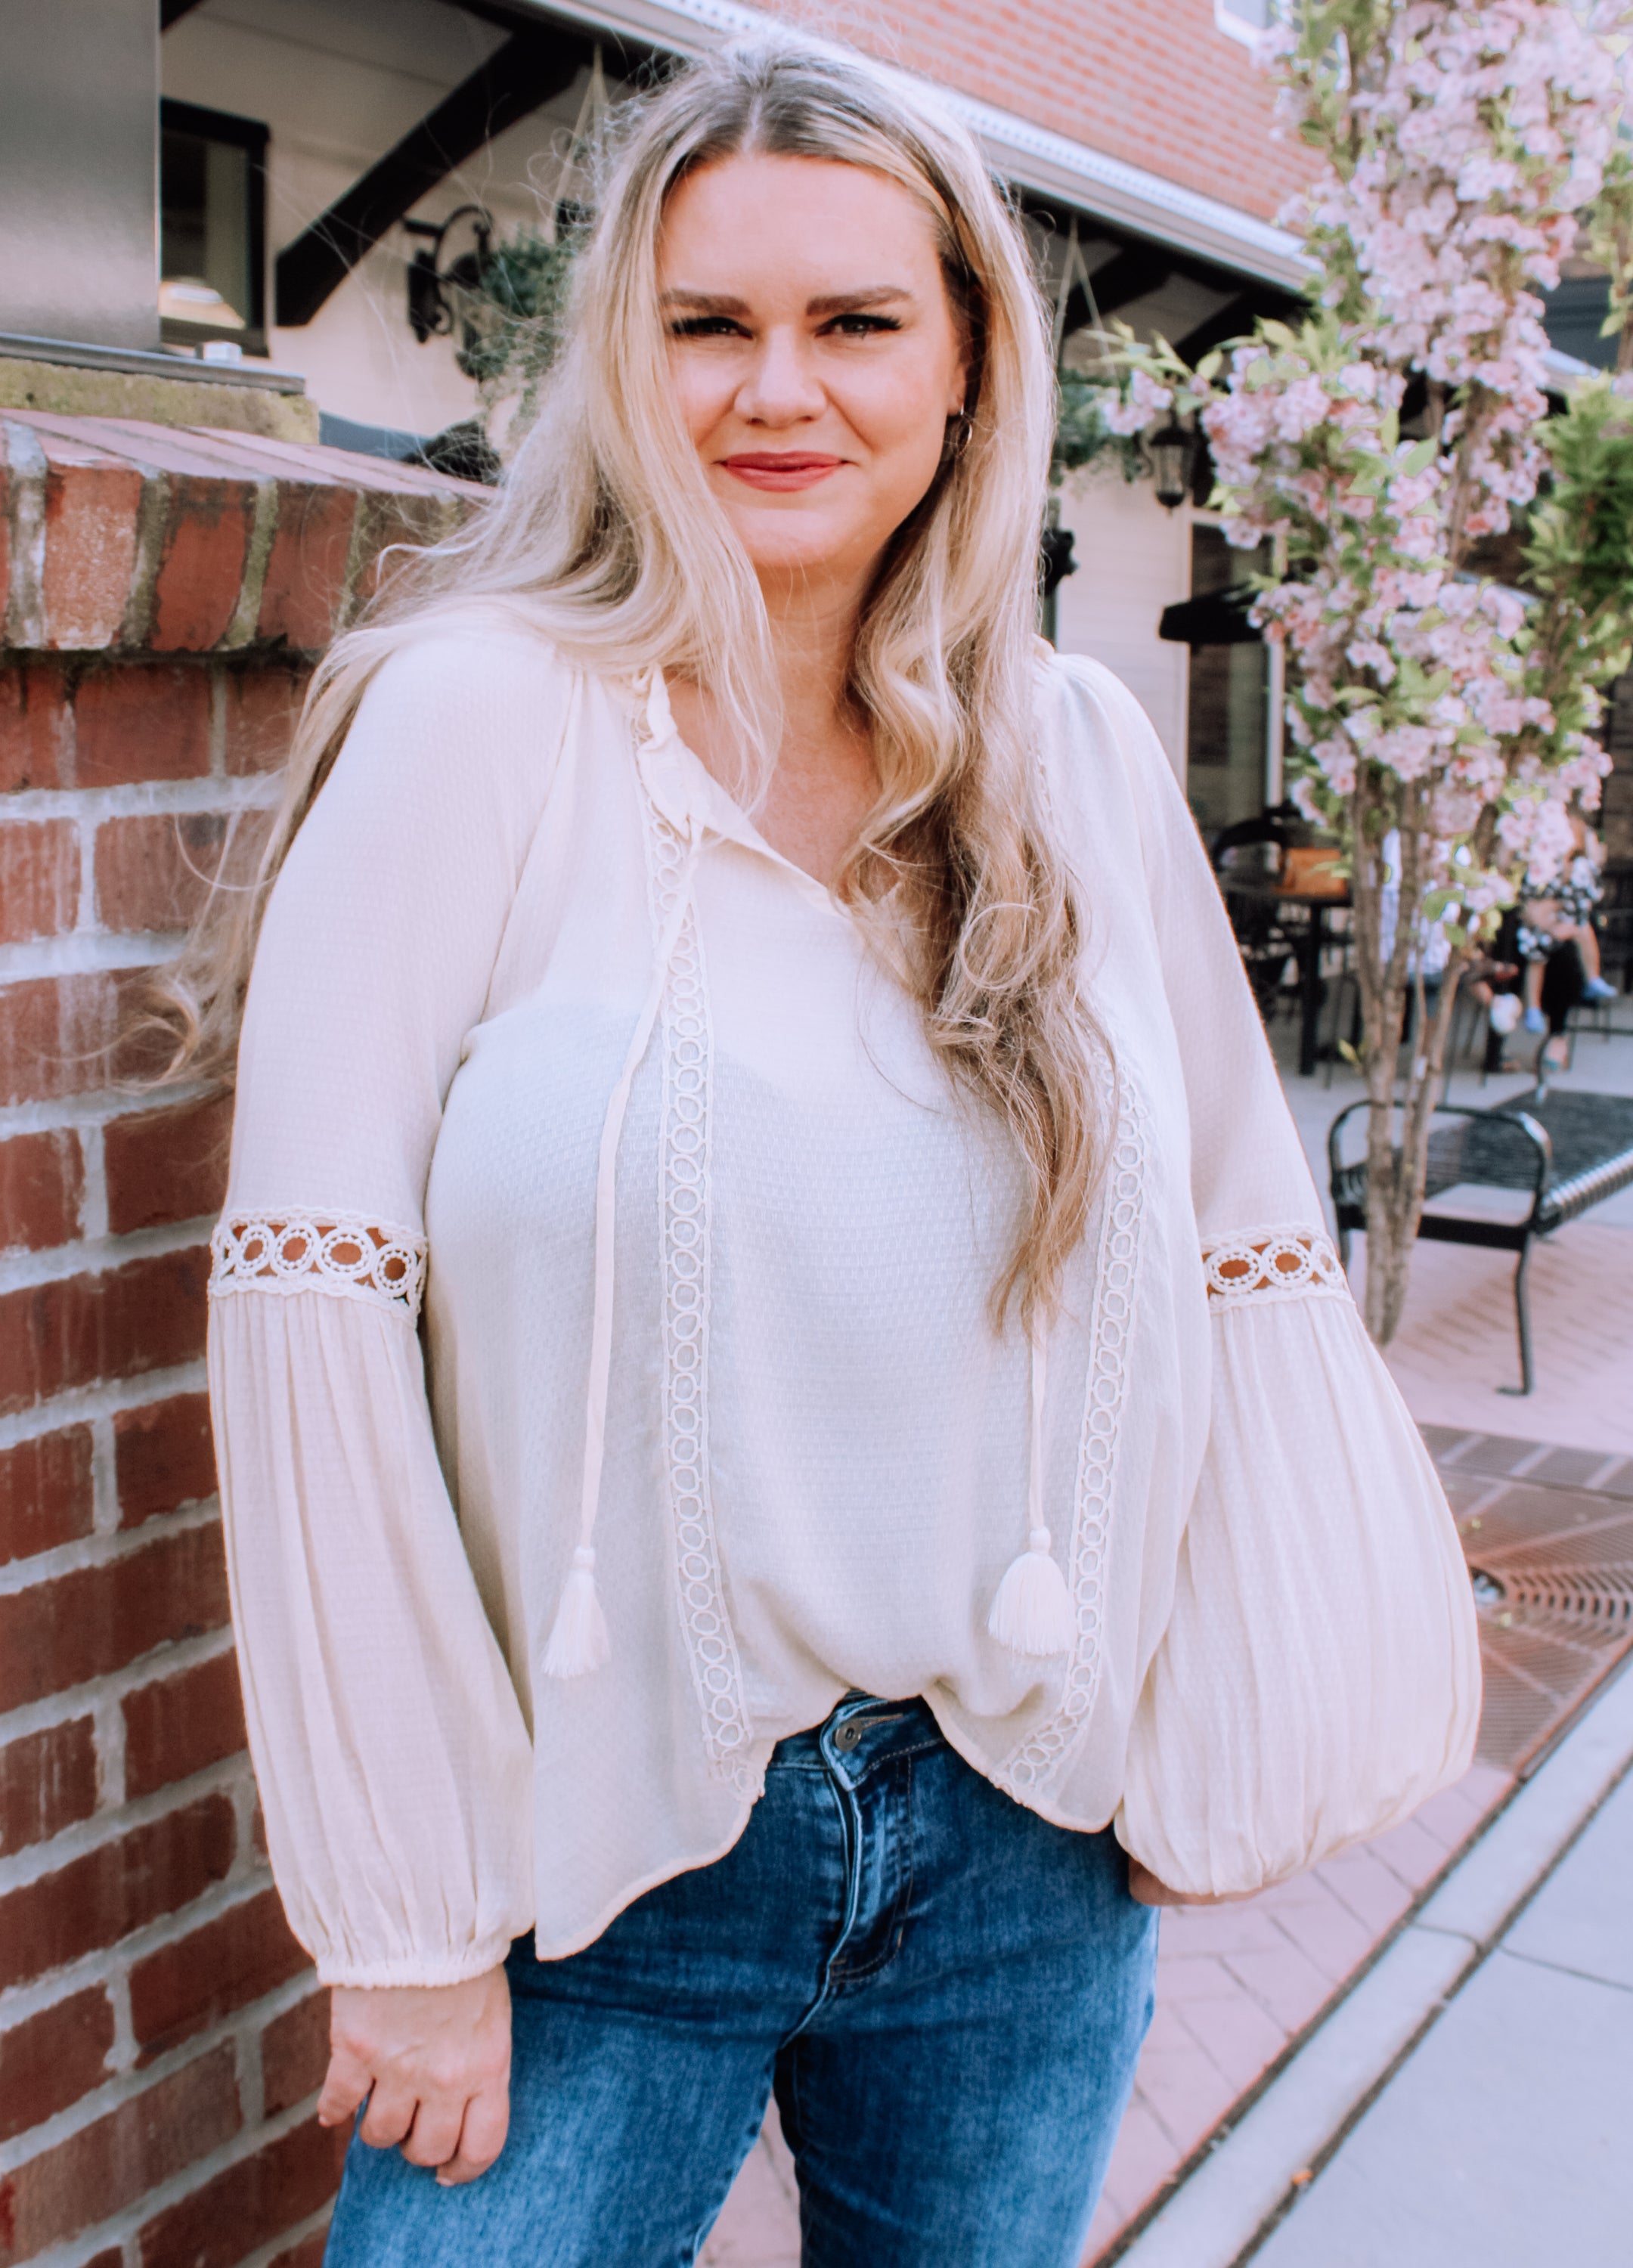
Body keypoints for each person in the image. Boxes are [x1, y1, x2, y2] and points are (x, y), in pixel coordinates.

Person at [163, 42, 1481, 2268]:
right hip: (591, 1866)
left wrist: (1214, 1715)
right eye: (708, 324)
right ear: (625, 356)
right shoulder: (475, 717)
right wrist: (399, 1915)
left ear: (967, 361)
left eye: (853, 322)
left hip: (1028, 1844)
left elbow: (1243, 1241)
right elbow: (307, 1302)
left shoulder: (1069, 749)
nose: (776, 389)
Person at [1519, 809, 1615, 1067]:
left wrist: (1564, 923)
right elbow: (1530, 908)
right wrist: (1550, 921)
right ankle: (1547, 1027)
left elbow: (1583, 903)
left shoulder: (1581, 869)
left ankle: (1557, 1037)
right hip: (1536, 935)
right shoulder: (1541, 863)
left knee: (1568, 957)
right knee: (1546, 958)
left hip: (1567, 941)